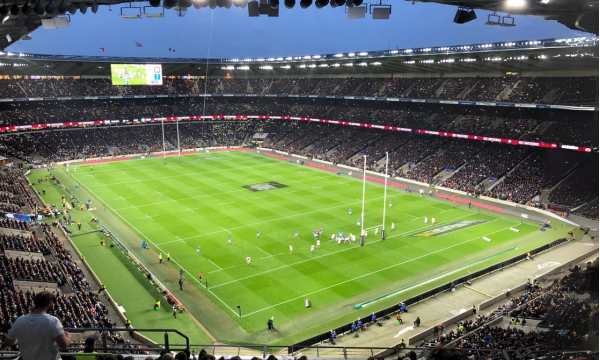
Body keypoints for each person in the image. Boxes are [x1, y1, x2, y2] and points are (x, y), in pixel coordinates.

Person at [6, 291, 70, 360]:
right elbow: (64, 345)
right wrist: (67, 336)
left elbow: (9, 341)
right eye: (53, 302)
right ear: (49, 303)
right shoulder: (53, 321)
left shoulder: (19, 320)